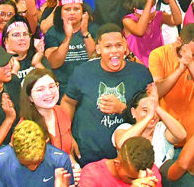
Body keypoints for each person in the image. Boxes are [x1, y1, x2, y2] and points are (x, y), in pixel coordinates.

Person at [61, 24, 154, 166]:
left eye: (118, 45)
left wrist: (123, 109)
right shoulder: (82, 72)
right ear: (98, 49)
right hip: (89, 156)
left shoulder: (141, 74)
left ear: (125, 47)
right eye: (108, 47)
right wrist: (67, 135)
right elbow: (68, 102)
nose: (114, 51)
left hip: (129, 158)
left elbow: (151, 111)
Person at [148, 23, 194, 140]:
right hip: (168, 134)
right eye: (192, 54)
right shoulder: (158, 55)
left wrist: (190, 63)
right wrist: (180, 69)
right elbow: (157, 91)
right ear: (179, 41)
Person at [0, 119, 73, 187]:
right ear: (12, 146)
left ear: (46, 142)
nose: (33, 168)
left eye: (37, 162)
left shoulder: (61, 161)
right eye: (26, 164)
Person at [79, 135, 161, 187]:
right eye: (131, 178)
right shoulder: (92, 174)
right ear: (117, 164)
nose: (139, 181)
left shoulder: (152, 172)